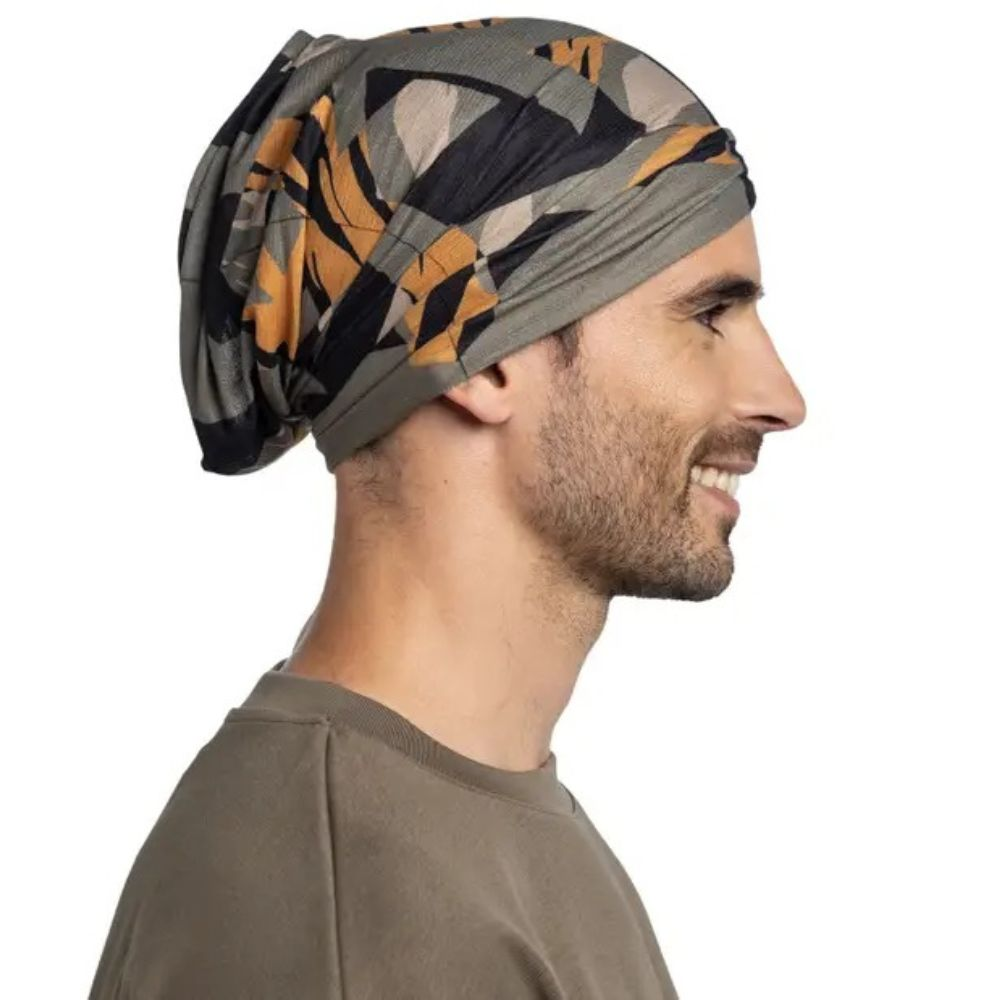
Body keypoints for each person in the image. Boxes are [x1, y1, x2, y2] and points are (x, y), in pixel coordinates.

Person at [88, 16, 806, 999]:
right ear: (479, 353)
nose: (780, 397)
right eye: (708, 315)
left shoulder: (473, 816)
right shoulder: (351, 910)